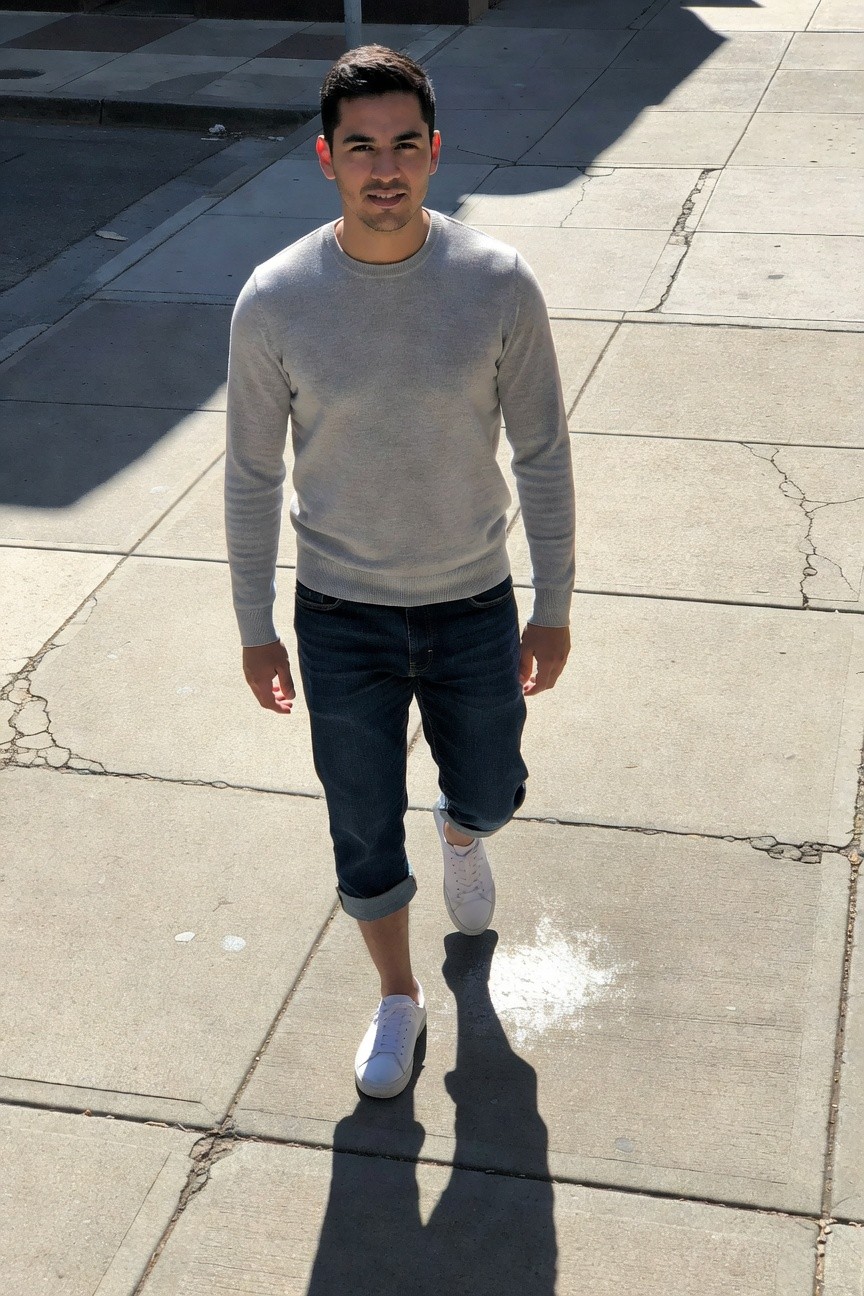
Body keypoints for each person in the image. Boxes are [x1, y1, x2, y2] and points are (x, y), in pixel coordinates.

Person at [225, 45, 575, 1100]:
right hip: (340, 615)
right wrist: (255, 624)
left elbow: (543, 452)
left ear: (435, 154)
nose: (386, 168)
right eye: (363, 148)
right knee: (361, 818)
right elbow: (249, 474)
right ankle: (397, 995)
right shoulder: (274, 299)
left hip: (473, 603)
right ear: (326, 159)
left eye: (406, 146)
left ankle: (465, 834)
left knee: (492, 786)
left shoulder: (497, 284)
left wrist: (551, 606)